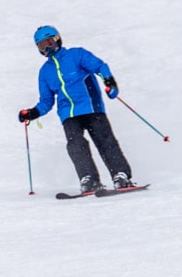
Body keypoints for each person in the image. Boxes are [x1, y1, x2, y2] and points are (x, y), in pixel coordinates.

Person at [18, 25, 136, 196]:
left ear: (58, 39)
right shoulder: (45, 72)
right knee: (75, 144)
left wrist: (109, 82)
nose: (47, 48)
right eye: (42, 46)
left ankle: (121, 175)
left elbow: (100, 67)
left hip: (90, 106)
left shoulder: (77, 54)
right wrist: (32, 113)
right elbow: (46, 101)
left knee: (104, 140)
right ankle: (89, 179)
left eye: (49, 42)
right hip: (68, 114)